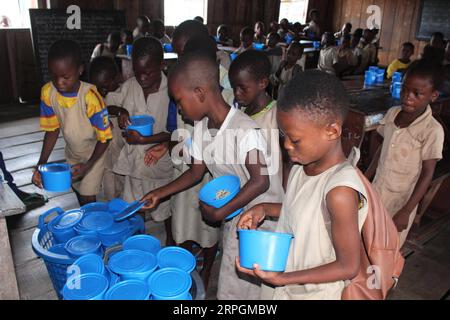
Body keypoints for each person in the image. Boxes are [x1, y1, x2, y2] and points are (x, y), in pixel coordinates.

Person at [141, 52, 284, 300]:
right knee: (236, 280)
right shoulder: (202, 127)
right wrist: (159, 193)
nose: (180, 109)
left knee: (254, 285)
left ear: (199, 93)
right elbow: (196, 171)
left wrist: (220, 211)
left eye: (179, 101)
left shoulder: (244, 129)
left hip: (263, 222)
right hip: (236, 215)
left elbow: (261, 181)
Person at [236, 70, 369, 300]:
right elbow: (303, 211)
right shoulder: (301, 167)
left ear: (332, 131)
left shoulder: (340, 191)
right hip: (287, 282)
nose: (287, 146)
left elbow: (348, 265)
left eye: (294, 139)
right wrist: (265, 209)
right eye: (283, 136)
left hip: (312, 293)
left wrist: (283, 279)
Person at [365, 59, 445, 248]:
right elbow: (382, 149)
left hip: (401, 202)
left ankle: (383, 278)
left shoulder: (432, 130)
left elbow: (427, 174)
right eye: (404, 89)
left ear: (433, 96)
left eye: (417, 94)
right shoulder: (393, 113)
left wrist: (407, 211)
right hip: (377, 192)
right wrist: (366, 178)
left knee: (387, 249)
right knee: (367, 239)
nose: (408, 97)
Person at [107, 37, 175, 245]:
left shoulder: (172, 91)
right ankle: (139, 245)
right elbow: (107, 105)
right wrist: (121, 111)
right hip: (134, 164)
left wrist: (146, 138)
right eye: (138, 72)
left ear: (162, 65)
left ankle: (170, 244)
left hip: (159, 166)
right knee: (135, 209)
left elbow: (176, 132)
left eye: (149, 72)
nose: (143, 78)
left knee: (165, 211)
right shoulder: (129, 86)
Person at [32, 40, 112, 205]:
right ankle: (86, 221)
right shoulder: (48, 93)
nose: (59, 82)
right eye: (54, 76)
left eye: (65, 77)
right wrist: (41, 163)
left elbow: (105, 138)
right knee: (77, 190)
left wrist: (89, 165)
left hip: (95, 151)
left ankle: (91, 227)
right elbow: (52, 130)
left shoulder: (90, 97)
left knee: (88, 195)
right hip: (72, 152)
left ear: (80, 70)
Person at [229, 50, 284, 184]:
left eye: (242, 88)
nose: (237, 94)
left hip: (272, 193)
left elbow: (288, 163)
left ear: (263, 83)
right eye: (234, 87)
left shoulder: (277, 116)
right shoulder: (241, 111)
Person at [89, 56, 125, 200]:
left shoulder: (125, 93)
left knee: (127, 191)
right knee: (110, 193)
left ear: (116, 78)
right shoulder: (94, 97)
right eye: (98, 87)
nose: (102, 91)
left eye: (105, 86)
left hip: (124, 155)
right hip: (106, 158)